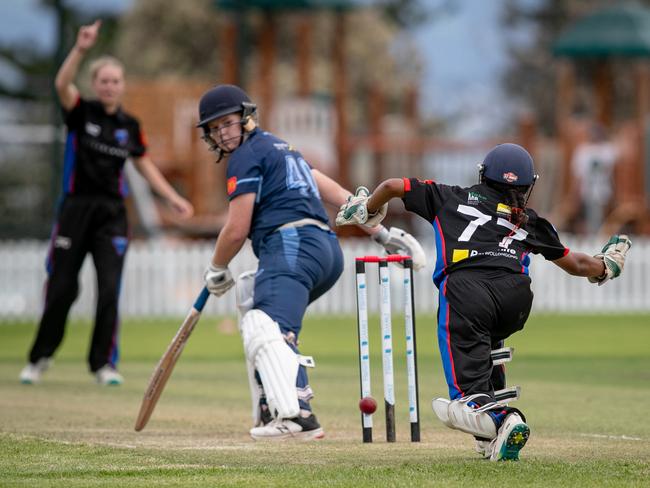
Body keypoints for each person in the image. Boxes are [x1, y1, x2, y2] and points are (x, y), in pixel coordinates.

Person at [336, 143, 631, 460]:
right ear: (526, 186)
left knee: (464, 395)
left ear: (482, 174)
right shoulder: (528, 220)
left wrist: (367, 207)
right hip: (515, 299)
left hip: (466, 290)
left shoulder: (448, 196)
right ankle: (488, 435)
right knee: (488, 342)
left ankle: (502, 419)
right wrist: (609, 265)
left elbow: (393, 186)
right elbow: (579, 265)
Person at [196, 84, 426, 441]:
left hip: (291, 245)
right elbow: (336, 194)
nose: (223, 133)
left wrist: (216, 268)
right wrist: (380, 233)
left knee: (264, 323)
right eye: (214, 128)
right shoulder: (283, 149)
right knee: (257, 306)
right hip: (324, 251)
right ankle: (270, 409)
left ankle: (298, 416)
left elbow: (237, 229)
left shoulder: (245, 157)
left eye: (227, 123)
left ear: (244, 118)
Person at [19, 20, 194, 386]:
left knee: (110, 288)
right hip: (74, 209)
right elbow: (61, 85)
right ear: (96, 84)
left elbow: (143, 164)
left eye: (115, 81)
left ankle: (104, 365)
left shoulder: (130, 126)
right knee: (63, 286)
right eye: (104, 81)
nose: (110, 86)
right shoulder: (82, 112)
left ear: (122, 85)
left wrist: (173, 198)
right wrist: (82, 49)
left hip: (112, 215)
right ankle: (40, 357)